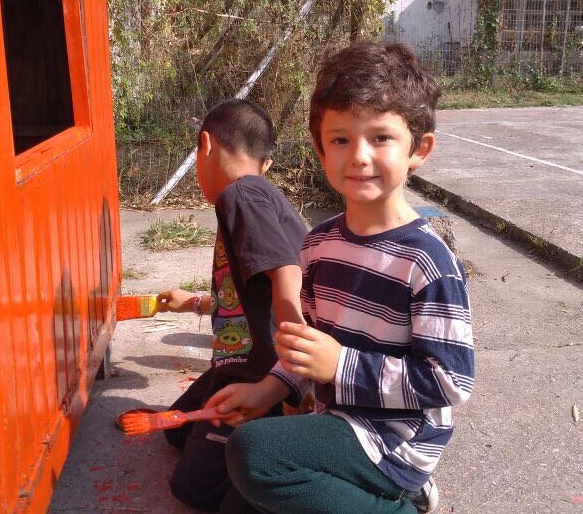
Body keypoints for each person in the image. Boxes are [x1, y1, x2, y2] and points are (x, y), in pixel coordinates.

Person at [205, 41, 475, 514]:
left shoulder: (426, 261)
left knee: (254, 454)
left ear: (419, 149)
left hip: (394, 440)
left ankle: (399, 502)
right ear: (320, 149)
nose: (359, 156)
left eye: (381, 138)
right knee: (234, 501)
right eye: (341, 139)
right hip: (335, 423)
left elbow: (450, 381)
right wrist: (268, 389)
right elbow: (308, 349)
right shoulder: (318, 245)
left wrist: (341, 366)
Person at [157, 98, 309, 512]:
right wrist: (194, 303)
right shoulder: (254, 195)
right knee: (176, 430)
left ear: (205, 145)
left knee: (194, 487)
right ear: (267, 162)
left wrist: (294, 374)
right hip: (240, 364)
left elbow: (286, 273)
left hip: (265, 373)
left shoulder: (241, 193)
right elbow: (248, 295)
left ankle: (296, 444)